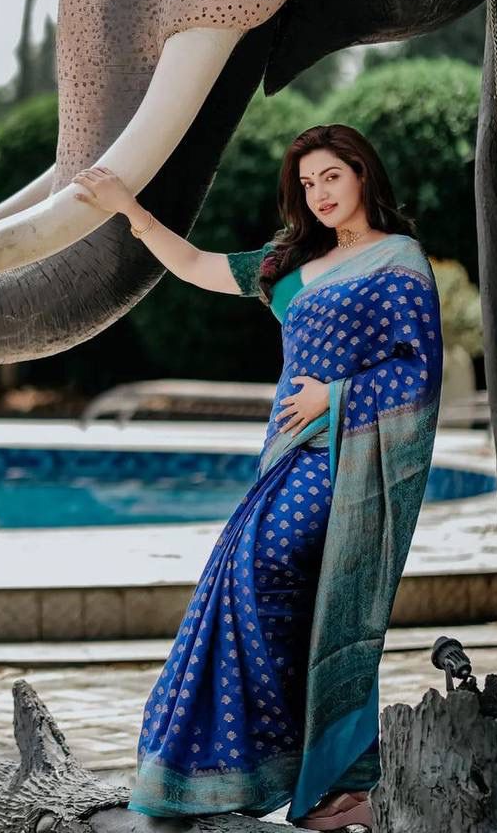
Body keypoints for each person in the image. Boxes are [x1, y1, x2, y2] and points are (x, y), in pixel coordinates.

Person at [70, 123, 443, 831]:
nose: (320, 193)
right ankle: (287, 776)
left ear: (363, 173)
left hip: (345, 457)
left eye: (331, 176)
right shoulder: (291, 264)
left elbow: (417, 371)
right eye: (307, 184)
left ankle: (323, 775)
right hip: (285, 459)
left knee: (269, 572)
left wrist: (334, 397)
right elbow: (199, 266)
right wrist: (130, 209)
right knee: (242, 583)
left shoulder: (400, 261)